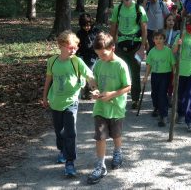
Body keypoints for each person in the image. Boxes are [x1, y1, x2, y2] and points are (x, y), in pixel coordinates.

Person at [41, 30, 96, 177]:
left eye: (76, 47)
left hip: (71, 102)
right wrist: (44, 97)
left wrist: (95, 87)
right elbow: (48, 80)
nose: (74, 50)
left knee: (70, 133)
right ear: (61, 45)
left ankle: (70, 163)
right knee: (59, 132)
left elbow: (90, 76)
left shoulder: (76, 61)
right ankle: (62, 150)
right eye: (71, 47)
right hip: (55, 102)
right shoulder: (52, 61)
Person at [86, 32, 131, 185]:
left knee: (116, 134)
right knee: (100, 136)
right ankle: (100, 165)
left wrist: (113, 94)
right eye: (98, 55)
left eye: (103, 54)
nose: (101, 57)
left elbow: (128, 87)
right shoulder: (99, 63)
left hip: (116, 107)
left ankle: (118, 152)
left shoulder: (120, 65)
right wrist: (95, 91)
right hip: (100, 108)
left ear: (112, 48)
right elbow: (95, 83)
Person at [110, 0, 148, 110]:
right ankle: (118, 98)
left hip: (136, 46)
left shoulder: (139, 9)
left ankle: (135, 99)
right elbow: (113, 26)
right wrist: (111, 44)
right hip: (120, 46)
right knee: (118, 72)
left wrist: (143, 47)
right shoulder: (118, 8)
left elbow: (144, 29)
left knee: (135, 73)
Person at [143, 31, 176, 126]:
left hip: (165, 75)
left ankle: (164, 116)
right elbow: (149, 65)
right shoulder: (152, 52)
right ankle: (157, 107)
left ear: (164, 39)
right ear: (153, 40)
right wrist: (145, 76)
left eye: (161, 38)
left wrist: (174, 77)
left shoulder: (168, 51)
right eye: (156, 38)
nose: (158, 40)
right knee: (154, 94)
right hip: (155, 75)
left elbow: (173, 64)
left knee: (162, 94)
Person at [76, 13, 99, 99]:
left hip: (93, 55)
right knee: (83, 74)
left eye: (88, 25)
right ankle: (83, 91)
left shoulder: (96, 32)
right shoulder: (79, 33)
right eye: (84, 26)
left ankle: (89, 92)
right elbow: (77, 44)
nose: (87, 27)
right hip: (82, 55)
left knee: (90, 72)